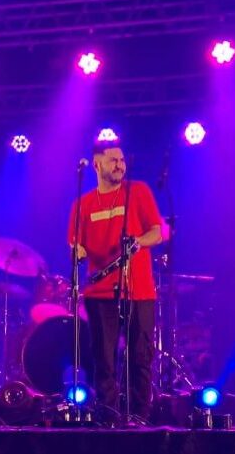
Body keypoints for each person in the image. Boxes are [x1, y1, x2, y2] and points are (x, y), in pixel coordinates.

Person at [67, 139, 163, 422]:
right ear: (96, 164)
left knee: (139, 357)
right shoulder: (82, 205)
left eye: (122, 160)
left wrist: (137, 242)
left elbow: (156, 232)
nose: (120, 165)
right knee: (104, 360)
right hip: (99, 292)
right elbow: (75, 244)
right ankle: (108, 415)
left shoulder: (138, 191)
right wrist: (78, 251)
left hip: (139, 291)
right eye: (113, 160)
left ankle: (138, 416)